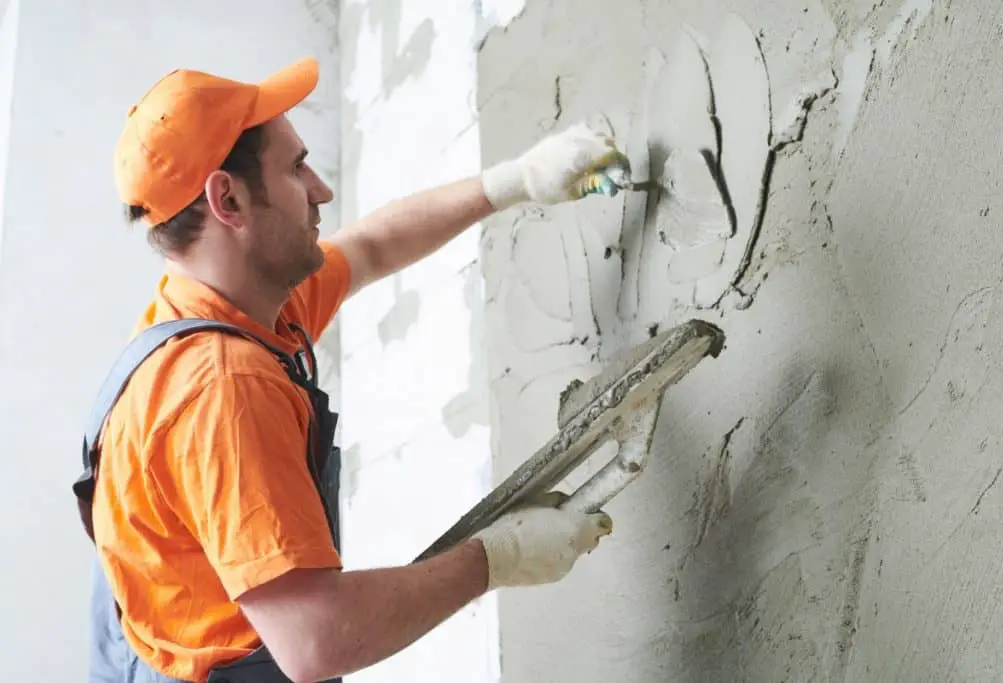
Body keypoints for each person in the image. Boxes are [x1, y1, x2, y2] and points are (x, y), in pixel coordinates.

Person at [75, 56, 621, 683]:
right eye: (295, 166)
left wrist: (516, 180)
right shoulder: (221, 388)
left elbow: (370, 247)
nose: (321, 189)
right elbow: (314, 641)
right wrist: (499, 559)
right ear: (227, 198)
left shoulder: (214, 307)